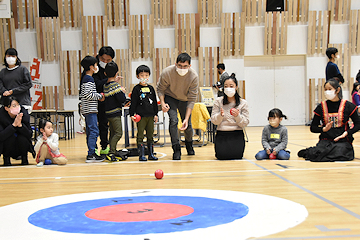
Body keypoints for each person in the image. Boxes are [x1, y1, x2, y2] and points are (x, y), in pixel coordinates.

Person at [298, 78, 360, 162]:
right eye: (325, 89)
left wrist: (347, 133)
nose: (327, 92)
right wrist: (323, 129)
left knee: (342, 152)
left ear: (337, 90)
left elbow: (358, 124)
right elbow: (313, 127)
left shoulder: (348, 106)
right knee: (318, 153)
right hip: (326, 141)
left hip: (342, 141)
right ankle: (309, 151)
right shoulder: (321, 107)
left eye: (330, 89)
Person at [157, 53, 199, 160]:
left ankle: (189, 145)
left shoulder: (193, 76)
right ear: (175, 64)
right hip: (171, 97)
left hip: (185, 100)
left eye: (185, 66)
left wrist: (186, 118)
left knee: (187, 124)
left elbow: (192, 99)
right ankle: (176, 149)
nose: (182, 68)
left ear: (189, 66)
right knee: (173, 120)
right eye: (180, 65)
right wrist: (162, 103)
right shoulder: (167, 72)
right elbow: (160, 89)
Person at [210, 74, 249, 160]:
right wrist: (220, 116)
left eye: (231, 86)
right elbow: (213, 120)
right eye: (226, 86)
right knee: (221, 156)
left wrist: (237, 116)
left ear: (236, 87)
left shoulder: (243, 103)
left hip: (237, 134)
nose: (228, 88)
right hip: (222, 134)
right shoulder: (218, 101)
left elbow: (245, 123)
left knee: (237, 156)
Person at [130, 65, 159, 161]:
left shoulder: (151, 88)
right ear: (137, 76)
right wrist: (131, 114)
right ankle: (141, 154)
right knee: (140, 135)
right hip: (141, 116)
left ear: (149, 76)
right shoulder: (136, 89)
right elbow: (133, 103)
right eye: (142, 75)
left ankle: (151, 154)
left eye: (146, 75)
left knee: (150, 135)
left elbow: (154, 102)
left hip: (150, 116)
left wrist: (156, 114)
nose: (144, 77)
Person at [80, 55, 105, 163]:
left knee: (91, 131)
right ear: (91, 67)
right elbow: (88, 94)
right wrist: (100, 96)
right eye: (95, 65)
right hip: (90, 110)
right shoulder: (89, 79)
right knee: (94, 131)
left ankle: (92, 152)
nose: (96, 67)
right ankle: (91, 154)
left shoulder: (86, 78)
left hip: (88, 109)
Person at [93, 46, 116, 155]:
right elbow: (95, 83)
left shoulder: (111, 67)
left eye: (108, 60)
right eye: (103, 59)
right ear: (98, 57)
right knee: (93, 126)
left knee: (104, 124)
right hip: (94, 100)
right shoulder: (94, 67)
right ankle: (93, 148)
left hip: (107, 101)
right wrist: (108, 80)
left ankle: (104, 146)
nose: (105, 62)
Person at [0, 96, 35, 166]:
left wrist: (20, 126)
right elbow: (1, 136)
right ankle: (6, 159)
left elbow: (29, 134)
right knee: (9, 137)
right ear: (6, 108)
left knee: (23, 138)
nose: (17, 107)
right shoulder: (1, 116)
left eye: (18, 105)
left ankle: (24, 158)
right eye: (14, 106)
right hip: (7, 145)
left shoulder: (23, 113)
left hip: (20, 145)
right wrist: (13, 126)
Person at [103, 61, 127, 161]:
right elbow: (122, 99)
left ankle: (113, 150)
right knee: (118, 133)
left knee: (112, 133)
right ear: (117, 73)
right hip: (115, 113)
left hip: (108, 113)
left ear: (105, 73)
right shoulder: (116, 86)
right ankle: (111, 152)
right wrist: (122, 91)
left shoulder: (105, 85)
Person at [0, 48, 33, 113]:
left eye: (13, 56)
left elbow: (28, 84)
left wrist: (13, 91)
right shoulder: (2, 72)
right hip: (6, 104)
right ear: (5, 57)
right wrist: (4, 91)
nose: (10, 58)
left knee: (21, 121)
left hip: (21, 102)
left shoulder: (22, 69)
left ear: (16, 58)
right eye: (8, 56)